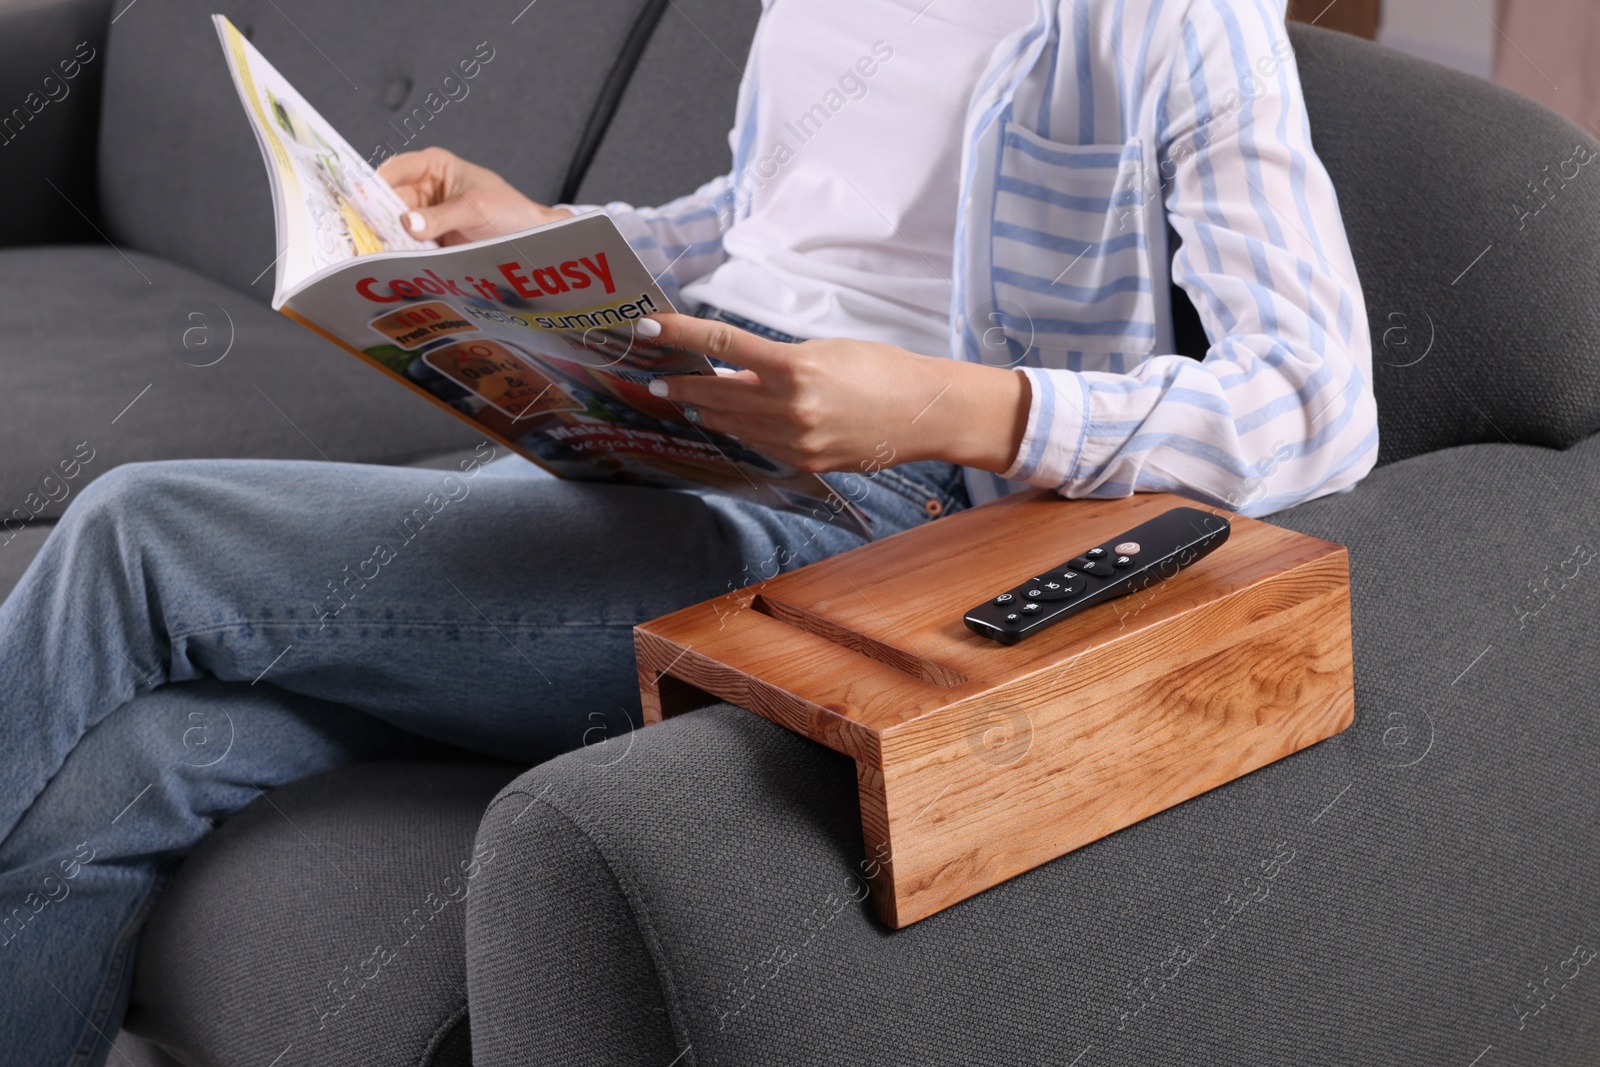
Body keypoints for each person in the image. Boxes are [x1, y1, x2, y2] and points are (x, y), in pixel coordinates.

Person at [0, 0, 1376, 1062]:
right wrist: (540, 232)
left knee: (138, 536)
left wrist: (946, 407)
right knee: (131, 765)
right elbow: (763, 227)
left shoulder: (1175, 20)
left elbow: (1316, 399)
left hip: (868, 514)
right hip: (658, 417)